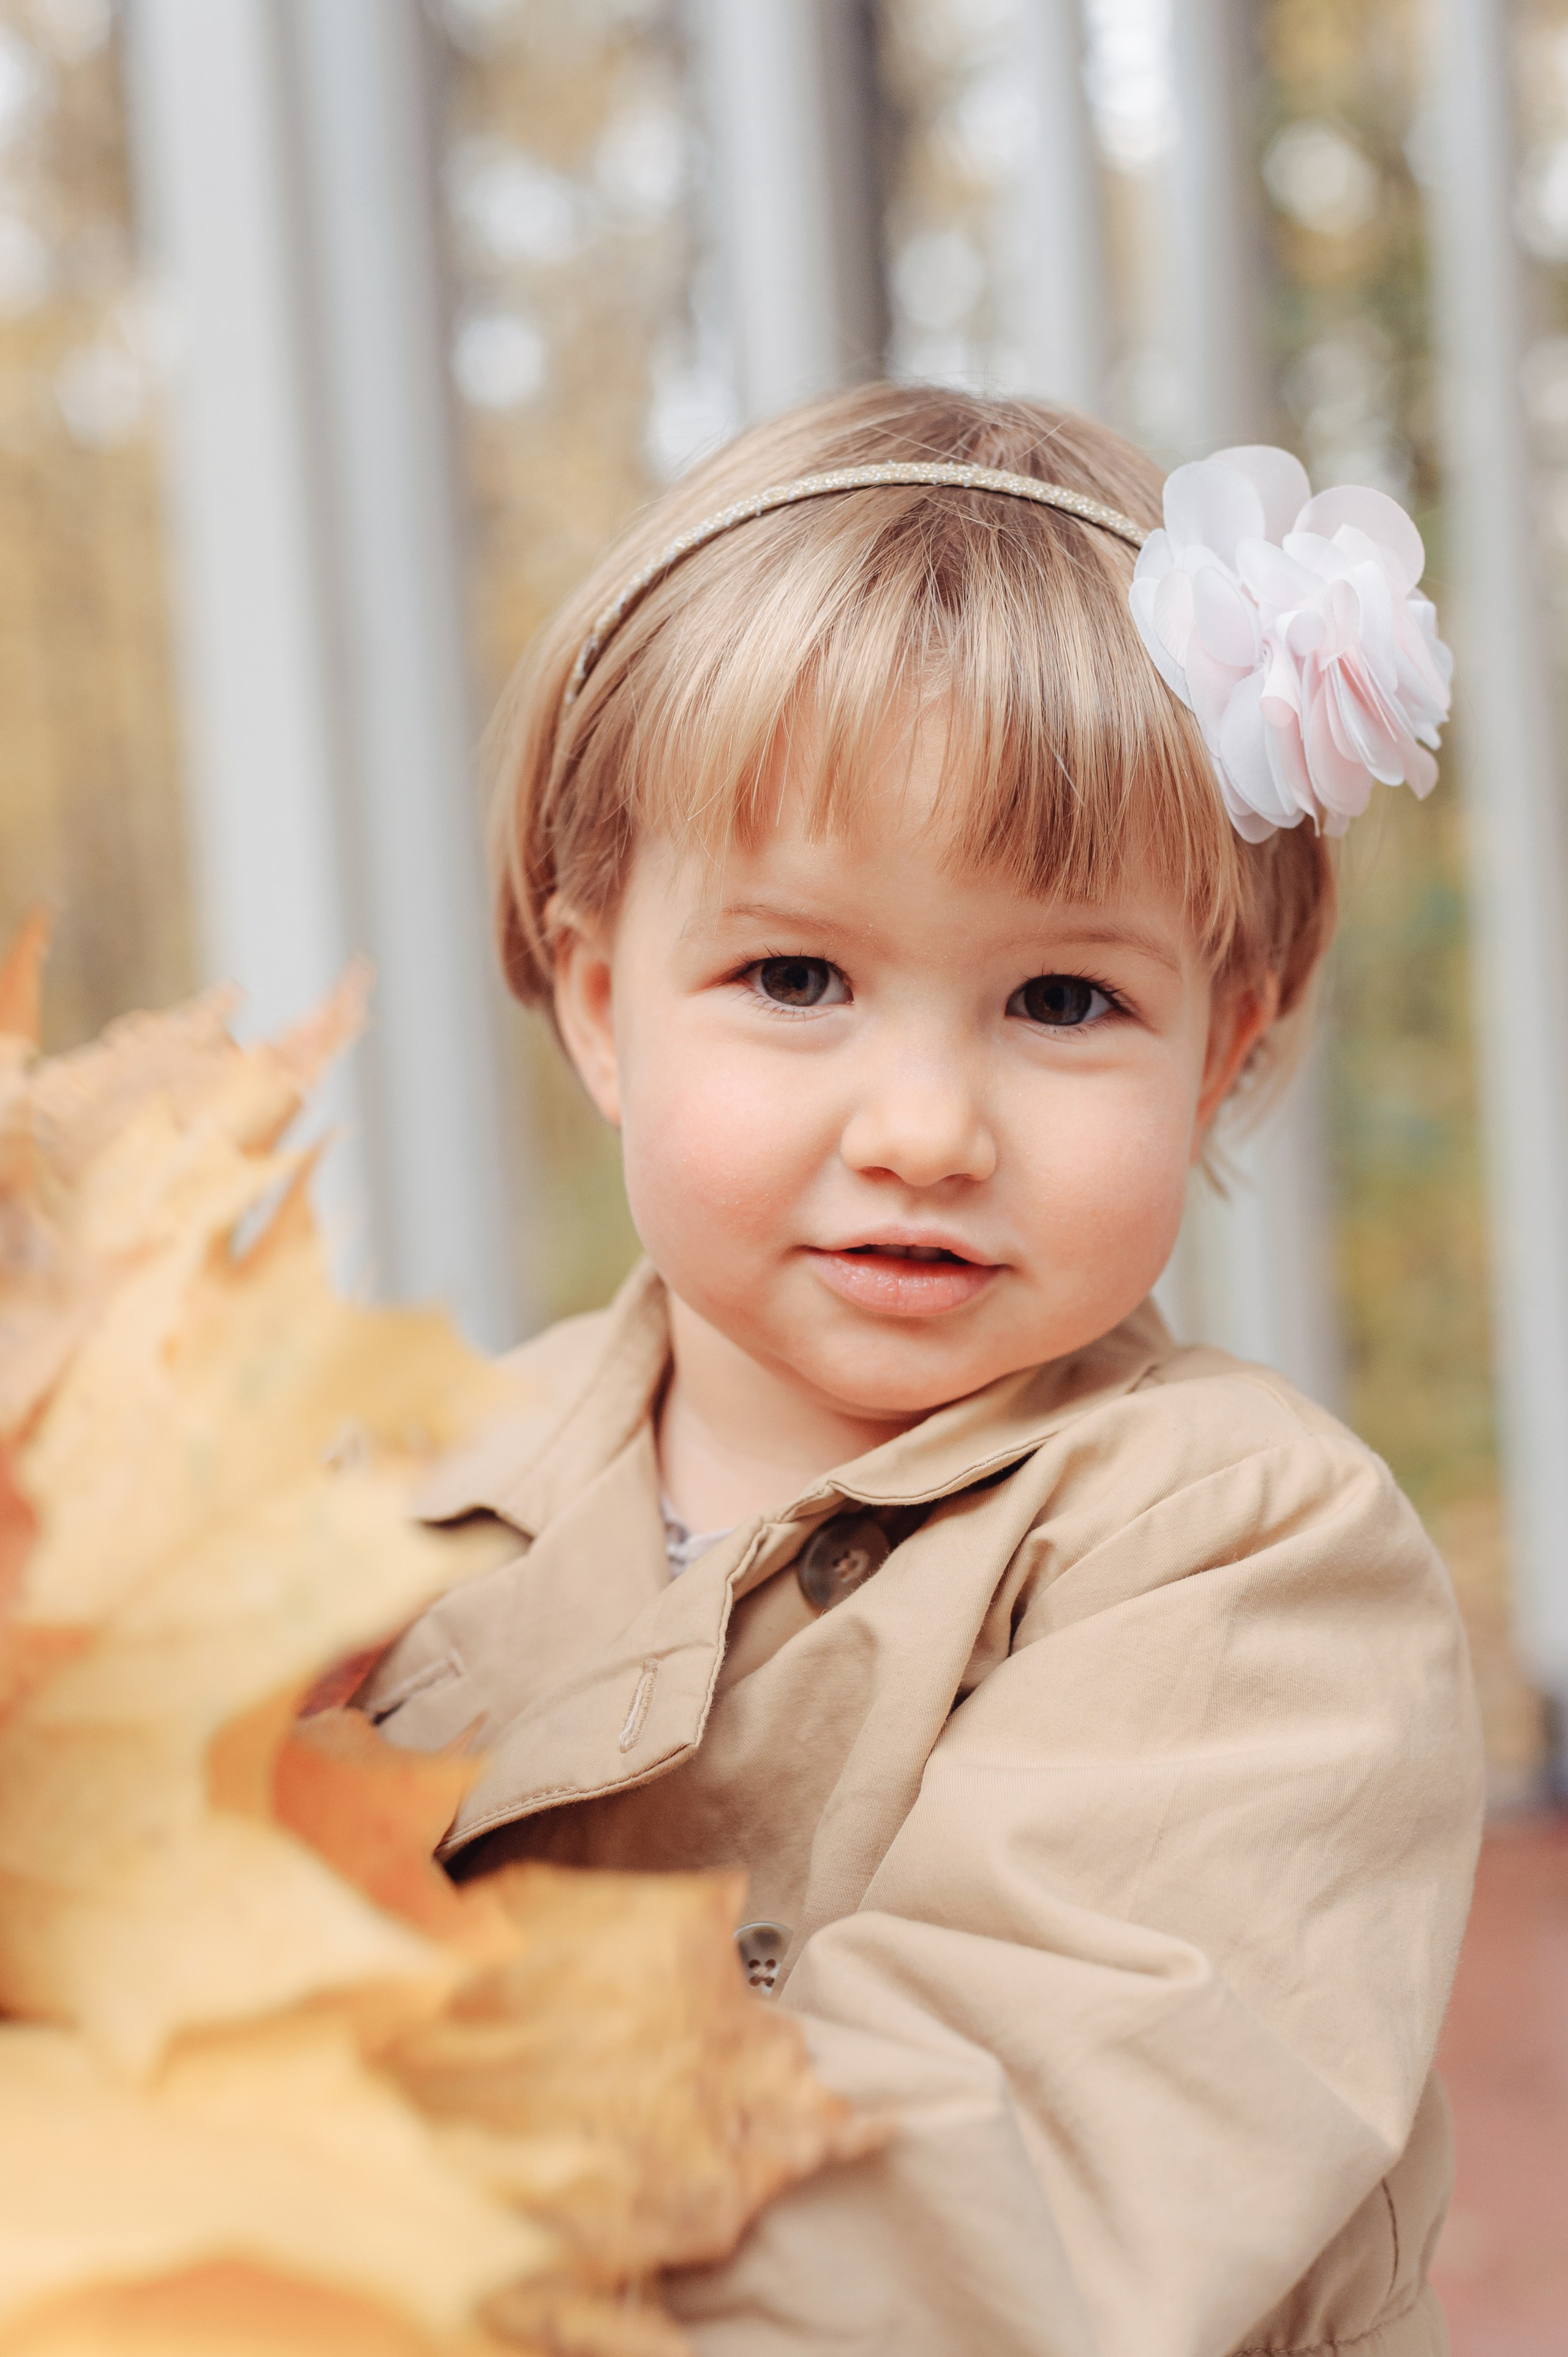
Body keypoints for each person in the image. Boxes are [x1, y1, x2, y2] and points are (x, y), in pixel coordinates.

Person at [360, 384, 1482, 2357]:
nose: (926, 1126)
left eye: (1064, 999)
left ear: (1224, 1048)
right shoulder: (392, 1491)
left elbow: (1006, 2189)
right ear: (607, 1002)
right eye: (797, 979)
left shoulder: (1246, 1560)